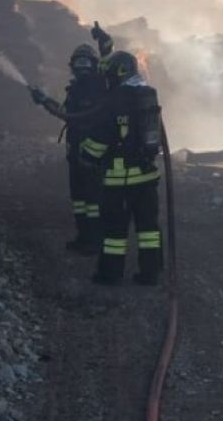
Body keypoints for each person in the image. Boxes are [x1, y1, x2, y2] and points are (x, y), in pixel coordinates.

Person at [76, 51, 163, 285]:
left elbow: (101, 140)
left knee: (114, 232)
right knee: (149, 231)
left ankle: (110, 275)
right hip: (147, 177)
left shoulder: (114, 101)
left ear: (117, 72)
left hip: (119, 182)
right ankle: (150, 274)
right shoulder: (146, 94)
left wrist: (85, 153)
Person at [30, 44, 108, 254]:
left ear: (94, 64)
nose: (82, 67)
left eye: (86, 62)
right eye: (78, 62)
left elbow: (80, 117)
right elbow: (65, 113)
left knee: (93, 200)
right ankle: (83, 237)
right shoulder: (75, 90)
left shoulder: (99, 88)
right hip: (75, 154)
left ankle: (94, 241)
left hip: (92, 156)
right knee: (79, 200)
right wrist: (45, 101)